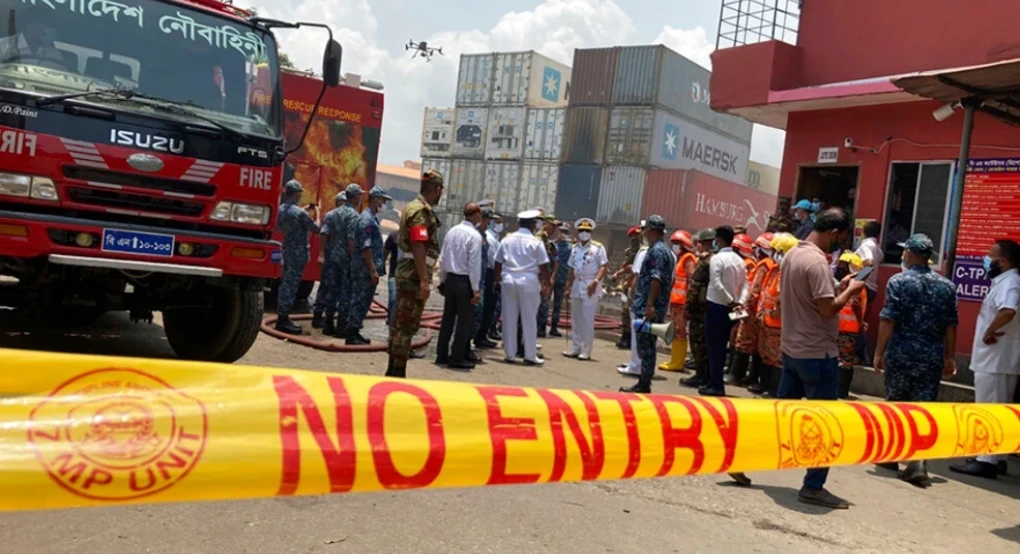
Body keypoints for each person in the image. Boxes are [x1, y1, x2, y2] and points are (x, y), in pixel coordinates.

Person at [759, 208, 866, 508]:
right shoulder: (818, 262)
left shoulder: (793, 254)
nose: (840, 245)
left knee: (783, 418)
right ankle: (814, 485)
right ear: (834, 233)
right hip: (818, 354)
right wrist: (852, 290)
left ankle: (743, 458)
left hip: (791, 350)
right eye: (841, 239)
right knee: (824, 424)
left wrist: (839, 287)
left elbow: (812, 296)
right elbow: (827, 309)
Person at [868, 234, 958, 484]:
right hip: (931, 356)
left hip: (901, 353)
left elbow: (888, 320)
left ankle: (891, 454)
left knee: (896, 404)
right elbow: (951, 326)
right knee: (923, 409)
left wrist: (878, 352)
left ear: (910, 253)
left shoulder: (899, 281)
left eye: (905, 252)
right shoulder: (946, 286)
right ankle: (918, 460)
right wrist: (949, 357)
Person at [951, 239, 1020, 479]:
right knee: (1001, 407)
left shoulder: (1009, 282)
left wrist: (989, 330)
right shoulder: (1005, 281)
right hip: (1000, 357)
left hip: (995, 358)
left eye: (990, 256)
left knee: (989, 407)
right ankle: (998, 457)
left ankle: (986, 460)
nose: (986, 260)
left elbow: (1008, 310)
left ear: (1002, 261)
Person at [387, 170, 444, 378]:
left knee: (400, 324)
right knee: (406, 326)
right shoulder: (420, 211)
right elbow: (418, 244)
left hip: (408, 273)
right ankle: (397, 372)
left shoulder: (412, 207)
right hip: (413, 275)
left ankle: (393, 368)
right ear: (437, 190)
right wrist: (424, 280)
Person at [620, 215, 674, 394]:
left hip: (648, 306)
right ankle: (644, 381)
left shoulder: (656, 252)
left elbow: (655, 279)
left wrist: (649, 305)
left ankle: (644, 383)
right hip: (656, 304)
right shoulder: (666, 251)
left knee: (646, 346)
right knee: (648, 345)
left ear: (650, 230)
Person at [495, 210, 550, 365]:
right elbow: (544, 266)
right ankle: (530, 355)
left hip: (508, 279)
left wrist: (496, 280)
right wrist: (547, 283)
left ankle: (510, 354)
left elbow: (497, 262)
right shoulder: (536, 242)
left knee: (509, 317)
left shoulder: (507, 240)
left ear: (519, 223)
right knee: (529, 318)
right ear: (533, 225)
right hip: (528, 281)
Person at [747, 233, 798, 396]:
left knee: (776, 358)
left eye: (778, 251)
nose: (774, 254)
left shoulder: (787, 273)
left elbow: (782, 298)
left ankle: (773, 389)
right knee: (766, 355)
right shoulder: (775, 269)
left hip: (777, 324)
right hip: (767, 322)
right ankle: (764, 384)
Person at [701, 226, 748, 397]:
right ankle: (712, 380)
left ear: (719, 240)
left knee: (715, 347)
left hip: (718, 306)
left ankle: (716, 384)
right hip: (733, 309)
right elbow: (745, 284)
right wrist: (739, 302)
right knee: (721, 346)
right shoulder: (739, 260)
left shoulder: (717, 259)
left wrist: (731, 301)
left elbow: (717, 284)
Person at [436, 203, 484, 370]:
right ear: (477, 215)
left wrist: (442, 280)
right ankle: (456, 357)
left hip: (450, 279)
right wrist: (476, 290)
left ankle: (441, 354)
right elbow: (474, 265)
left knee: (447, 318)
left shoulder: (452, 231)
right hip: (464, 282)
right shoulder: (475, 236)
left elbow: (443, 258)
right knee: (464, 321)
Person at [346, 186, 391, 345]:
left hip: (365, 269)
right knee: (360, 300)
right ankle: (352, 333)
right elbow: (366, 247)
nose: (384, 204)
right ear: (376, 199)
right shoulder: (366, 219)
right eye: (383, 201)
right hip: (364, 270)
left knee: (364, 300)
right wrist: (372, 270)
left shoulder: (372, 218)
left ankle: (355, 330)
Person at [730, 232, 775, 389]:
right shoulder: (769, 264)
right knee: (757, 346)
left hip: (752, 310)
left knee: (743, 342)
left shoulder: (763, 265)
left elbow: (754, 289)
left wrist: (745, 308)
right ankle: (752, 377)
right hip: (760, 311)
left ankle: (737, 376)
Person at [275, 179, 318, 334]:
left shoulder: (281, 209)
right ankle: (283, 319)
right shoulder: (300, 213)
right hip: (298, 253)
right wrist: (316, 212)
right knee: (291, 286)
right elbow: (315, 227)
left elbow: (290, 218)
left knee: (285, 283)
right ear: (296, 193)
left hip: (287, 250)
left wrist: (305, 209)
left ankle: (282, 316)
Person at [563, 218, 608, 361]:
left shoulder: (598, 248)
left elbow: (603, 267)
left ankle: (586, 349)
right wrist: (568, 287)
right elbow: (571, 269)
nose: (584, 233)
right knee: (576, 318)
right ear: (578, 232)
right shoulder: (575, 248)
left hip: (590, 284)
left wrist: (595, 282)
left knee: (587, 319)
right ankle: (575, 347)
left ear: (591, 232)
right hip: (577, 283)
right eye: (582, 230)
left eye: (587, 231)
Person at [680, 228, 716, 388]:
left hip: (699, 308)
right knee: (708, 343)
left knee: (697, 342)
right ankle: (707, 375)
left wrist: (688, 307)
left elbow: (695, 286)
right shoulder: (719, 258)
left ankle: (700, 375)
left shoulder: (705, 260)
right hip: (711, 306)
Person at [659, 229, 698, 371]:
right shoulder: (680, 258)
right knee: (676, 330)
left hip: (682, 302)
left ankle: (677, 363)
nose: (674, 246)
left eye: (677, 243)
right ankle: (675, 361)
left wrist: (689, 302)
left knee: (680, 331)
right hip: (676, 301)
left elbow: (691, 280)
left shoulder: (688, 258)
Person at [835, 252, 868, 399]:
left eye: (843, 264)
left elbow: (855, 305)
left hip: (846, 327)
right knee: (843, 360)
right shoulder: (847, 283)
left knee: (844, 360)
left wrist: (860, 323)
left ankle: (840, 391)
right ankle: (840, 390)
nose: (840, 267)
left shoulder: (852, 285)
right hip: (845, 327)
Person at [312, 193, 346, 335]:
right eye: (342, 201)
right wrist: (321, 254)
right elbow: (323, 234)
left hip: (339, 259)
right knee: (326, 287)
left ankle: (326, 317)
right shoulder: (331, 216)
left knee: (335, 289)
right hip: (331, 258)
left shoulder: (347, 217)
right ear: (337, 202)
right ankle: (318, 315)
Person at [854, 220, 883, 362]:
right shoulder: (877, 247)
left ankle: (860, 354)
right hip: (871, 287)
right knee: (860, 320)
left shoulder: (866, 245)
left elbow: (868, 262)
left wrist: (856, 281)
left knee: (857, 321)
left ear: (864, 231)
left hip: (863, 287)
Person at [473, 207, 501, 350]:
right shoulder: (487, 237)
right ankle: (479, 336)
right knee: (484, 308)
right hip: (487, 274)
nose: (492, 222)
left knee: (489, 308)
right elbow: (493, 260)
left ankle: (482, 336)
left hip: (488, 274)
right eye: (491, 220)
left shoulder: (490, 236)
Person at [612, 226, 643, 349]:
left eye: (636, 236)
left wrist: (627, 281)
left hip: (635, 285)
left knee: (629, 312)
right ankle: (625, 337)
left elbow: (635, 271)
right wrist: (617, 274)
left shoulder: (642, 252)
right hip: (627, 285)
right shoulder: (629, 252)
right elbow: (626, 267)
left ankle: (629, 338)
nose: (634, 239)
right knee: (624, 312)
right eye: (632, 237)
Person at [550, 224, 573, 338]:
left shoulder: (570, 247)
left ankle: (554, 326)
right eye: (561, 231)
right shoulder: (552, 244)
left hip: (562, 277)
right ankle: (541, 325)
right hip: (549, 277)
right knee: (543, 302)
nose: (562, 234)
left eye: (565, 232)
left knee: (558, 304)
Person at [384, 232, 398, 327]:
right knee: (393, 300)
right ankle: (391, 323)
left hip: (411, 277)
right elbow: (384, 253)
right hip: (394, 275)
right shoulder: (394, 236)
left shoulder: (417, 237)